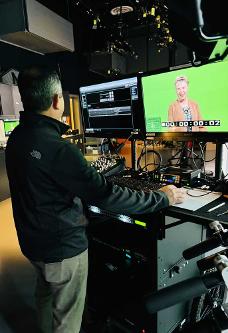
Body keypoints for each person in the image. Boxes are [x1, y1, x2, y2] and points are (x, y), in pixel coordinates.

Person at [5, 65, 186, 333]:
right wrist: (161, 197)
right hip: (62, 249)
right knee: (67, 318)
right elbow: (106, 194)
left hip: (33, 243)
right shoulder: (59, 149)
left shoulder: (18, 136)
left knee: (45, 295)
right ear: (57, 100)